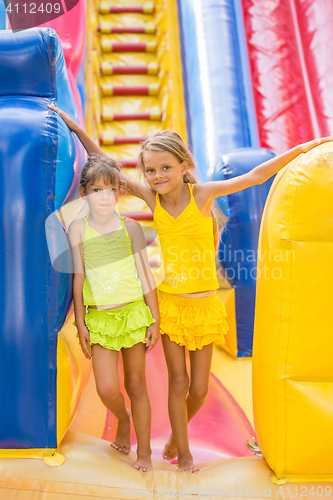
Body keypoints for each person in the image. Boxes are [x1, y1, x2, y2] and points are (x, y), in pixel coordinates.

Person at [48, 103, 332, 472]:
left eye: (166, 167)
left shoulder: (203, 196)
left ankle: (172, 439)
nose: (157, 176)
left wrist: (303, 149)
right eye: (150, 170)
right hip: (171, 305)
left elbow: (257, 175)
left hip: (205, 307)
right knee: (177, 382)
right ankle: (183, 454)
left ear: (184, 166)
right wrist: (76, 128)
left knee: (199, 390)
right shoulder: (154, 200)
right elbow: (107, 164)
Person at [67, 154, 160, 472]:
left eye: (109, 189)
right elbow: (78, 277)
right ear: (85, 194)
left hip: (133, 313)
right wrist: (80, 323)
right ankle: (123, 417)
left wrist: (154, 319)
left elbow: (145, 275)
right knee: (106, 387)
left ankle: (144, 451)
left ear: (119, 191)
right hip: (100, 319)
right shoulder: (78, 229)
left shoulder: (131, 228)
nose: (103, 196)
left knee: (137, 385)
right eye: (95, 190)